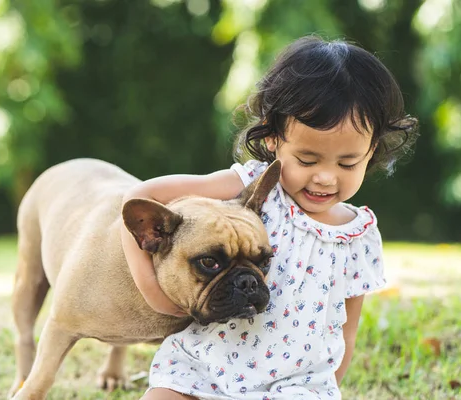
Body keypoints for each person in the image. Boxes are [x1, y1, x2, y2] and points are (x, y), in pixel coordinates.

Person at [120, 35, 418, 400]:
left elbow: (347, 332)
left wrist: (325, 388)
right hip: (204, 367)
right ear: (274, 137)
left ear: (371, 150)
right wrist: (152, 290)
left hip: (293, 385)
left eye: (347, 163)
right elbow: (141, 197)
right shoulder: (254, 186)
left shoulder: (358, 236)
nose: (325, 177)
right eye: (307, 160)